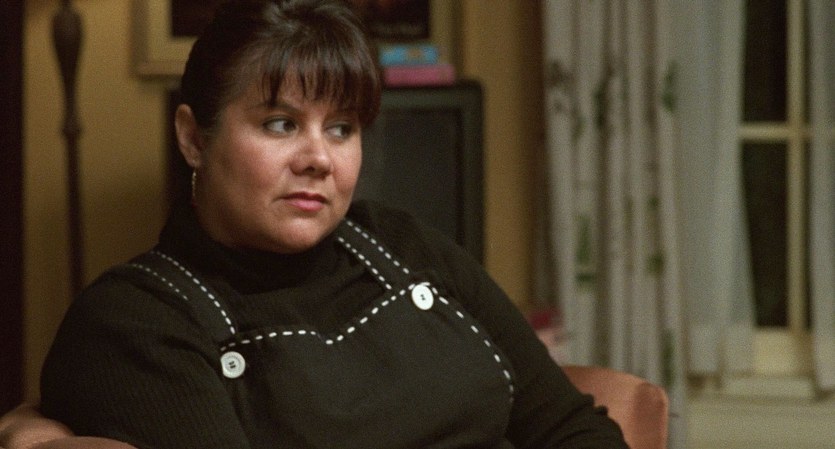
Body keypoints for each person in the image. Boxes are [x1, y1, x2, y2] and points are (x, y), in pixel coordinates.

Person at [1, 1, 629, 448]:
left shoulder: (406, 245)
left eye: (341, 128)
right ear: (193, 138)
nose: (319, 159)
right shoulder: (132, 321)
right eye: (280, 124)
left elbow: (572, 429)